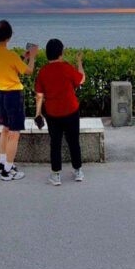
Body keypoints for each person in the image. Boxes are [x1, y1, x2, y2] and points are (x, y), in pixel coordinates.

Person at [0, 20, 39, 181]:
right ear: (9, 37)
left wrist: (23, 57)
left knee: (5, 129)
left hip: (1, 95)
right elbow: (29, 71)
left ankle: (2, 163)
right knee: (14, 134)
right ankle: (8, 171)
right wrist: (33, 58)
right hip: (14, 96)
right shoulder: (10, 56)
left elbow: (11, 66)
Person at [33, 39, 87, 186]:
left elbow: (39, 96)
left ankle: (56, 175)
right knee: (73, 141)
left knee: (55, 143)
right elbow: (82, 79)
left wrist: (38, 114)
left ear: (47, 54)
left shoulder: (43, 71)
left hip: (53, 113)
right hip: (71, 110)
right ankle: (78, 172)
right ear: (61, 54)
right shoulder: (67, 68)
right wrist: (79, 62)